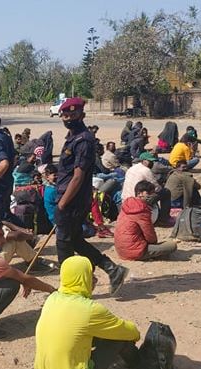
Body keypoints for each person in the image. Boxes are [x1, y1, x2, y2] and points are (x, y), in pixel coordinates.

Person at [34, 255, 140, 369]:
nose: (95, 280)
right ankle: (140, 364)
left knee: (92, 332)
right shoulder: (90, 310)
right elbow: (129, 332)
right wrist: (135, 336)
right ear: (82, 278)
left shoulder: (52, 299)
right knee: (119, 338)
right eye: (91, 275)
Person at [54, 97, 129, 294]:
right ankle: (112, 270)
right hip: (67, 196)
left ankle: (69, 287)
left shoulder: (84, 140)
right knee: (75, 240)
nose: (68, 118)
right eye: (65, 114)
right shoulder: (72, 138)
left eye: (73, 114)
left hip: (73, 200)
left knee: (63, 243)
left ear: (82, 115)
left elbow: (78, 177)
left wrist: (62, 203)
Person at [115, 181, 178, 261]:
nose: (152, 196)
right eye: (149, 193)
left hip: (121, 249)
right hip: (134, 251)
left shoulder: (127, 204)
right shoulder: (142, 210)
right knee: (172, 246)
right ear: (140, 194)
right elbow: (150, 237)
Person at [122, 152, 172, 225]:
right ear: (144, 161)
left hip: (126, 199)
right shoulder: (146, 170)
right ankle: (164, 219)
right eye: (150, 162)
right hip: (137, 200)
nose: (152, 164)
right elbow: (157, 188)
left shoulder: (131, 169)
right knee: (166, 192)